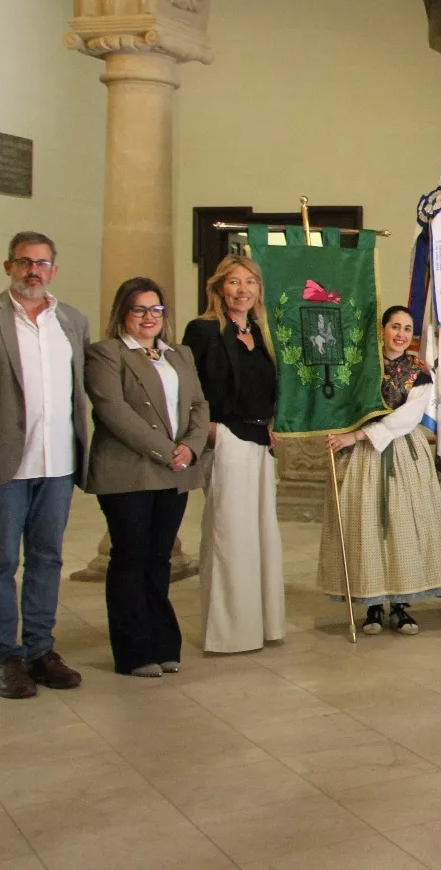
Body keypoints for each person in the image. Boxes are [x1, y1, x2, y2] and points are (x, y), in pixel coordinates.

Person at [0, 232, 89, 697]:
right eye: (24, 262)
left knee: (47, 559)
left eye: (41, 263)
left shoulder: (72, 322)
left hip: (58, 462)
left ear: (53, 270)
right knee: (0, 562)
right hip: (3, 465)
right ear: (8, 267)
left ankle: (40, 650)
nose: (33, 271)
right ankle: (5, 657)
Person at [85, 277, 209, 677]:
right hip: (129, 473)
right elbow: (114, 413)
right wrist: (166, 450)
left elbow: (199, 405)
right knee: (131, 558)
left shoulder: (180, 355)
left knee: (159, 558)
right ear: (123, 313)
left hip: (175, 471)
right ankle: (134, 651)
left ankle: (163, 643)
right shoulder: (107, 354)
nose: (149, 317)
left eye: (156, 309)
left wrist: (190, 446)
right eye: (139, 309)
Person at [319, 306, 441, 635]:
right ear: (382, 329)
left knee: (402, 527)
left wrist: (358, 435)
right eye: (394, 326)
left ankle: (400, 604)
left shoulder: (418, 369)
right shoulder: (360, 365)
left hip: (400, 451)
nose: (400, 333)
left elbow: (409, 417)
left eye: (406, 328)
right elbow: (341, 402)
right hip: (362, 457)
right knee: (366, 527)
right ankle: (371, 606)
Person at [182, 255, 283, 653]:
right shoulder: (204, 330)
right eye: (234, 282)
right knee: (230, 537)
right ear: (219, 287)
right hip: (225, 439)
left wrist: (274, 423)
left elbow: (270, 388)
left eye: (250, 283)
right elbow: (186, 386)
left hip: (261, 443)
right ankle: (229, 633)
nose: (243, 290)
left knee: (262, 537)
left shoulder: (264, 333)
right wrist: (206, 429)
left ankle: (263, 624)